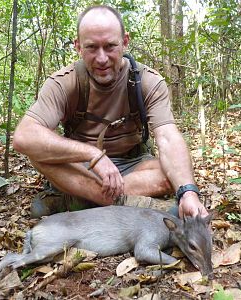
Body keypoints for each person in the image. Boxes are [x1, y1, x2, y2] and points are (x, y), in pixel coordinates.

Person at [13, 5, 208, 219]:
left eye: (110, 46)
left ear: (125, 42)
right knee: (37, 153)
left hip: (133, 164)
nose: (102, 58)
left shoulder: (147, 81)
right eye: (92, 48)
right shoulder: (64, 83)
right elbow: (24, 137)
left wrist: (188, 192)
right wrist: (94, 155)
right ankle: (118, 202)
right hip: (82, 166)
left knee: (175, 173)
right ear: (78, 47)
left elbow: (168, 137)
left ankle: (83, 199)